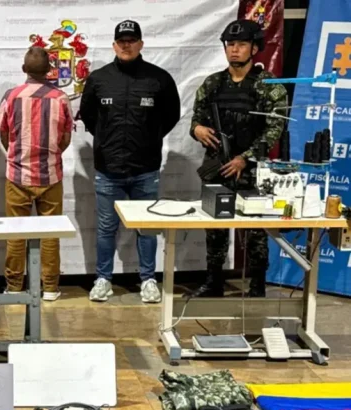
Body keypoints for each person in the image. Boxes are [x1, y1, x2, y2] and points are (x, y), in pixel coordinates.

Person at [80, 20, 181, 303]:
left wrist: (149, 139)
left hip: (145, 169)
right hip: (108, 169)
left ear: (140, 44)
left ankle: (148, 280)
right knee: (105, 229)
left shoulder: (159, 79)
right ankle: (103, 279)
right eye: (121, 41)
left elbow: (171, 115)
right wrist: (106, 139)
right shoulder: (98, 79)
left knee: (146, 228)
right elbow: (88, 116)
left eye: (131, 40)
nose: (126, 45)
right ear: (114, 45)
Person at [189, 19, 287, 298]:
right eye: (230, 45)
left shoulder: (269, 86)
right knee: (215, 227)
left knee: (255, 231)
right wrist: (197, 129)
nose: (234, 50)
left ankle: (257, 286)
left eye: (241, 44)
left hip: (251, 171)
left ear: (254, 48)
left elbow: (275, 128)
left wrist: (246, 157)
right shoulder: (213, 83)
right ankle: (214, 281)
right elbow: (197, 116)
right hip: (218, 166)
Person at [0, 47, 73, 301]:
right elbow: (66, 137)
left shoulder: (11, 96)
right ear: (49, 71)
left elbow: (3, 133)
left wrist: (16, 156)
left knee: (15, 234)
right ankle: (49, 288)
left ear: (24, 69)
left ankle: (14, 288)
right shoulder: (61, 98)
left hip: (17, 176)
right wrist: (50, 157)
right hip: (50, 176)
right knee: (50, 233)